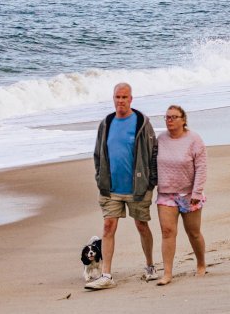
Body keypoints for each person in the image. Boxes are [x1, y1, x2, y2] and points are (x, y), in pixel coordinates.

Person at [85, 82, 159, 290]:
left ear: (131, 99)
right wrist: (100, 177)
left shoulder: (142, 122)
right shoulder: (106, 123)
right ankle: (106, 275)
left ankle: (150, 267)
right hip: (111, 188)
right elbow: (98, 154)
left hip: (138, 188)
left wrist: (151, 181)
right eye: (117, 97)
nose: (121, 101)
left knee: (141, 226)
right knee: (108, 227)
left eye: (125, 97)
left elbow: (154, 152)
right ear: (113, 98)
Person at [154, 104, 208, 285]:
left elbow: (201, 167)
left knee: (193, 232)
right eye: (167, 117)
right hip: (166, 193)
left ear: (183, 120)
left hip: (189, 193)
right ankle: (167, 273)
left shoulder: (194, 139)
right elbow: (151, 164)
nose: (169, 120)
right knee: (167, 232)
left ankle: (201, 264)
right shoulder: (160, 139)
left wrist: (197, 192)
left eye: (173, 117)